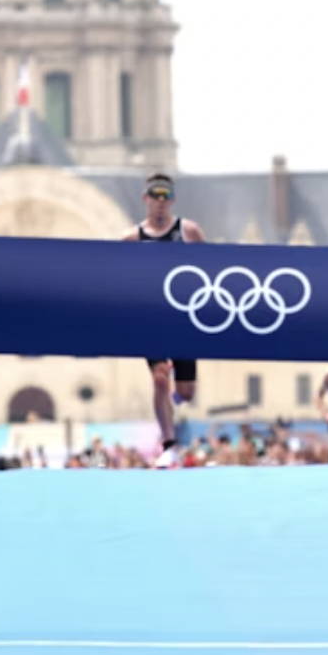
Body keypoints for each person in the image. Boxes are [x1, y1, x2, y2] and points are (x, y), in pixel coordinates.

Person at [121, 173, 206, 467]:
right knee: (159, 377)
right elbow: (114, 274)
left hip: (183, 317)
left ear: (172, 200)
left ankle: (176, 398)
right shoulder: (131, 238)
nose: (160, 203)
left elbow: (212, 269)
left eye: (165, 197)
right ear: (145, 199)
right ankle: (168, 444)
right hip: (151, 318)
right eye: (155, 197)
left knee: (186, 392)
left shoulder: (189, 231)